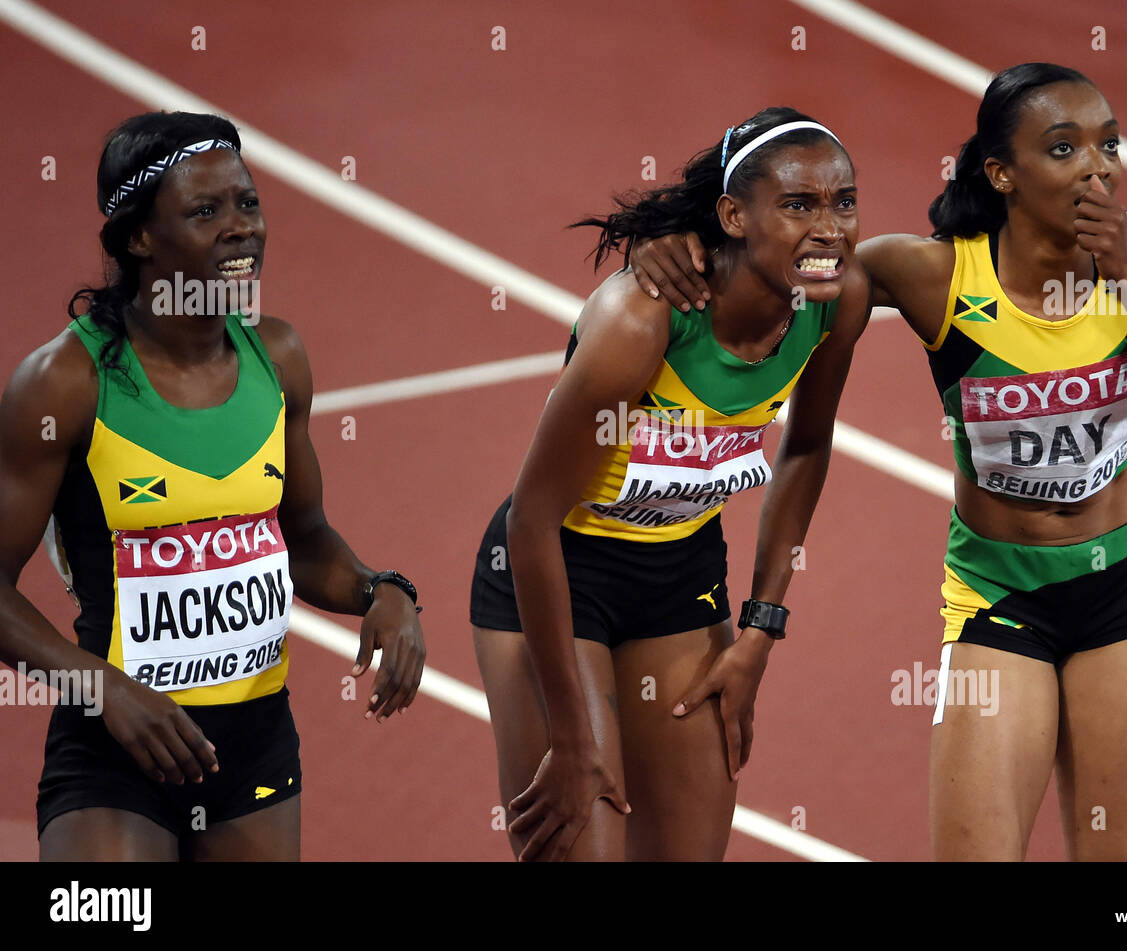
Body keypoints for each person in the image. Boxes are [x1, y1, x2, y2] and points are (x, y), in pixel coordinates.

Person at [629, 63, 1127, 860]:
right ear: (1002, 173)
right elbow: (798, 258)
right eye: (1064, 149)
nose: (1097, 168)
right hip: (1000, 601)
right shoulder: (935, 276)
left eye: (1109, 146)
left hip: (1123, 594)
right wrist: (673, 247)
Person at [0, 111, 426, 861]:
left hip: (254, 753)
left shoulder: (279, 358)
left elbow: (305, 537)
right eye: (206, 210)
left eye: (248, 203)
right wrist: (103, 689)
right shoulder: (65, 381)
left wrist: (379, 589)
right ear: (139, 237)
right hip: (117, 751)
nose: (241, 229)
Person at [469, 107, 870, 861]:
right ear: (732, 215)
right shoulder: (643, 321)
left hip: (680, 574)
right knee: (582, 834)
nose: (830, 228)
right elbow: (532, 523)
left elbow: (807, 444)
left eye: (843, 202)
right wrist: (571, 734)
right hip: (558, 572)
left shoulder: (835, 302)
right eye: (798, 205)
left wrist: (761, 628)